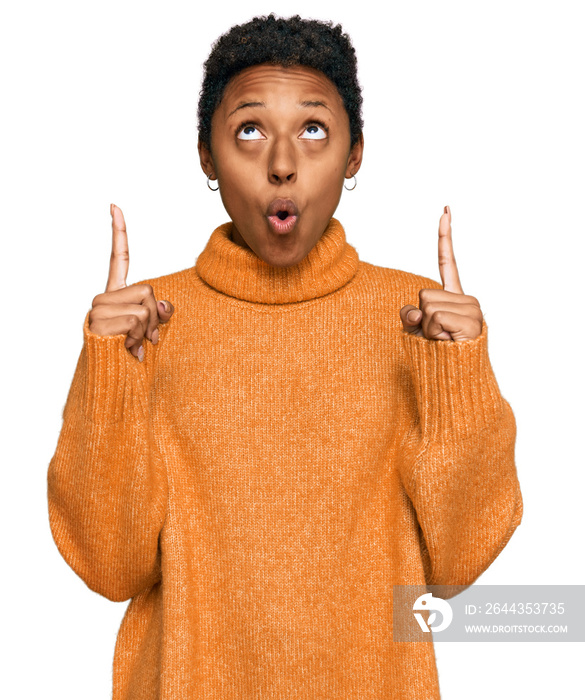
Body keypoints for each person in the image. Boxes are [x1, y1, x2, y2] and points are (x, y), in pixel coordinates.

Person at [47, 13, 523, 699]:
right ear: (206, 156)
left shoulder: (416, 322)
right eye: (248, 130)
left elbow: (457, 564)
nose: (280, 163)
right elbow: (108, 566)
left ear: (354, 154)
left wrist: (459, 377)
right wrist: (110, 377)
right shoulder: (144, 326)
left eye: (312, 130)